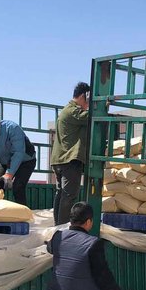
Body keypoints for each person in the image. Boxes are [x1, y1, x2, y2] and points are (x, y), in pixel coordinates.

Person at [51, 82, 90, 225]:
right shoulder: (73, 111)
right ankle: (62, 227)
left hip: (60, 159)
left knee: (61, 194)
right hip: (69, 160)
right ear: (83, 96)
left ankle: (58, 226)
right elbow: (92, 116)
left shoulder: (66, 110)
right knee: (68, 196)